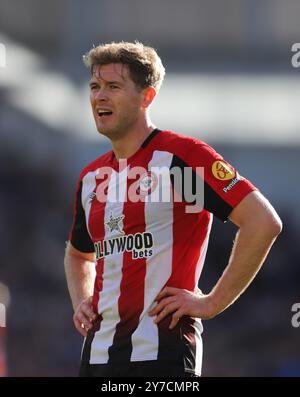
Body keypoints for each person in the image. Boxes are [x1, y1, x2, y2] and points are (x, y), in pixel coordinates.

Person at [64, 41, 282, 377]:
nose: (99, 96)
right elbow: (79, 254)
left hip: (163, 355)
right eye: (94, 86)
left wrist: (211, 302)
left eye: (113, 87)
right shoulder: (92, 177)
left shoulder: (181, 159)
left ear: (146, 97)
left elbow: (262, 222)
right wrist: (81, 299)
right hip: (97, 357)